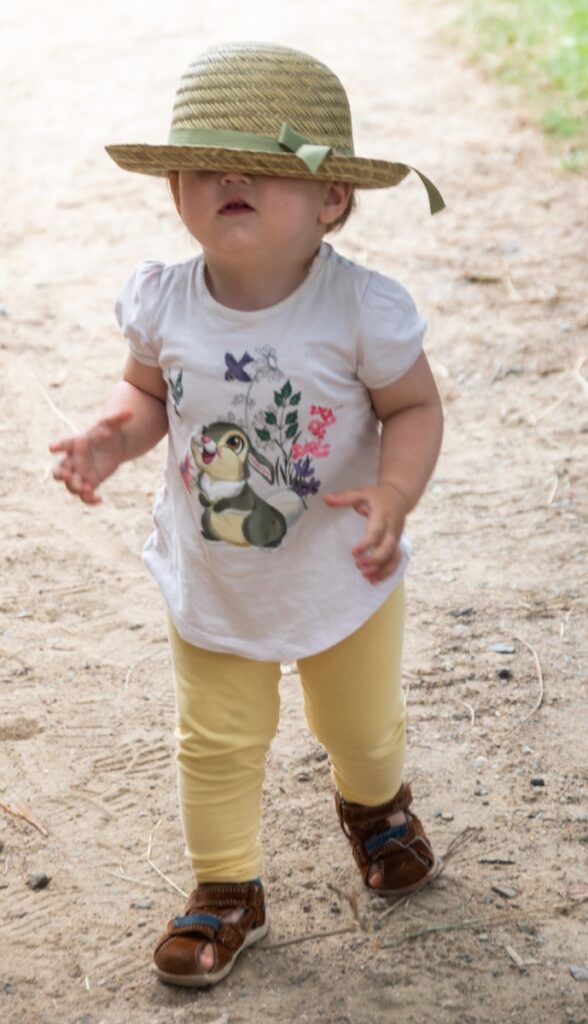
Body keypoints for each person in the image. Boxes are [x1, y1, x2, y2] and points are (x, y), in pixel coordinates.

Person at [50, 41, 445, 988]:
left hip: (338, 570)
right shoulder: (165, 302)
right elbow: (149, 396)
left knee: (358, 724)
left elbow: (414, 409)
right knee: (217, 737)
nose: (229, 178)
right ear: (174, 193)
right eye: (205, 166)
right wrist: (114, 435)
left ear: (331, 200)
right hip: (216, 570)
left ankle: (374, 805)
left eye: (261, 169)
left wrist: (392, 494)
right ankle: (226, 889)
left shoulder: (360, 310)